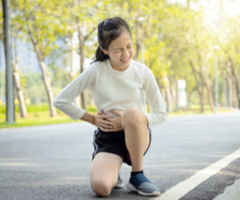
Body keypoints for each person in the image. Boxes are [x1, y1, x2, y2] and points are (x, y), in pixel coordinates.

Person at [53, 16, 167, 197]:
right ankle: (112, 173)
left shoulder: (142, 72)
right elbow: (61, 100)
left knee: (132, 112)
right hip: (109, 139)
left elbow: (161, 113)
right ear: (104, 49)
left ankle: (137, 175)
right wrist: (93, 119)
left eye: (129, 46)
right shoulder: (96, 70)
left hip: (138, 136)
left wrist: (129, 121)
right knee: (102, 188)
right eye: (118, 50)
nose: (126, 53)